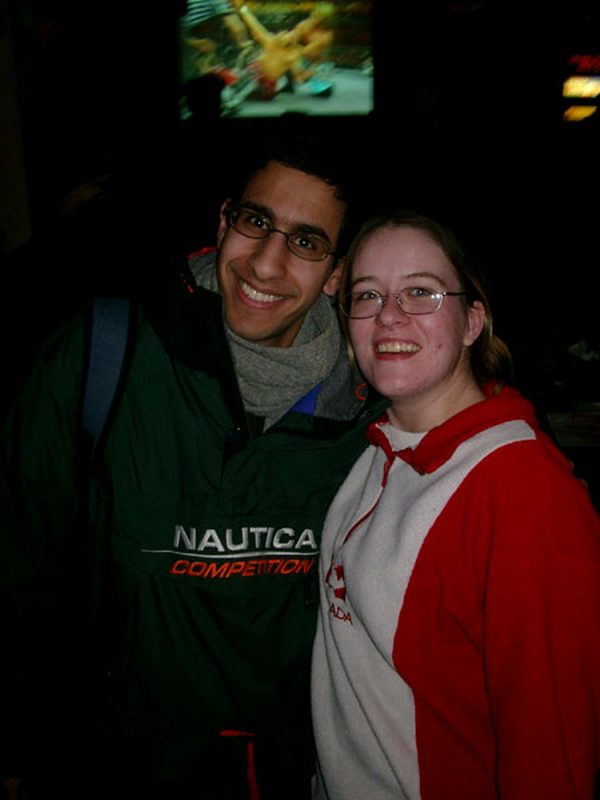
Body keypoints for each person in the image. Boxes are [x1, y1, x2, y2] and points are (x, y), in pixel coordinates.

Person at [0, 129, 385, 800]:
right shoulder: (100, 359)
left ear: (336, 274)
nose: (265, 263)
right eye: (255, 222)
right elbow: (16, 565)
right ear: (223, 222)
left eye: (305, 242)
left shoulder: (373, 412)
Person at [311, 210, 600, 799]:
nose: (389, 315)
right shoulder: (378, 447)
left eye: (421, 291)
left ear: (472, 321)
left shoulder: (523, 492)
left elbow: (553, 749)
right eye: (368, 294)